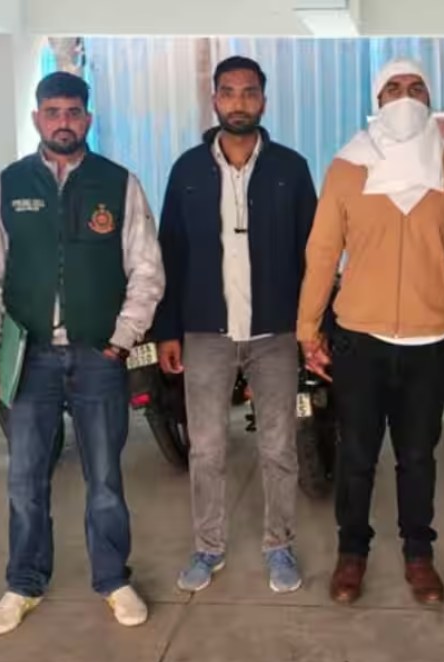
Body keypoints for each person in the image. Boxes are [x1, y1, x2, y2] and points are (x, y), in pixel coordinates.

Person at [0, 71, 164, 636]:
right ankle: (24, 582)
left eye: (73, 112)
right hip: (28, 358)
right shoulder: (10, 185)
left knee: (105, 479)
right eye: (52, 112)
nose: (63, 122)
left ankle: (113, 579)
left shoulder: (118, 183)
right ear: (37, 118)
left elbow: (146, 269)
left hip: (98, 356)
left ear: (88, 119)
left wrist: (121, 339)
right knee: (25, 480)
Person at [297, 58, 444, 606]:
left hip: (431, 341)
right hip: (360, 337)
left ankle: (419, 555)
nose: (405, 97)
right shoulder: (348, 167)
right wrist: (308, 328)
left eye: (416, 88)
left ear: (430, 97)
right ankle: (351, 553)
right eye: (394, 89)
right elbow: (322, 252)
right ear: (377, 100)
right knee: (356, 453)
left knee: (418, 456)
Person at [153, 56, 317, 594]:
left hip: (276, 333)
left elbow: (314, 253)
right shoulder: (188, 170)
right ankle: (208, 546)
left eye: (249, 92)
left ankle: (279, 545)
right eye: (229, 92)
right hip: (206, 333)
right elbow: (170, 253)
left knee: (279, 446)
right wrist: (168, 330)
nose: (239, 102)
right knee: (206, 449)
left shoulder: (291, 169)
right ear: (215, 100)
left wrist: (311, 326)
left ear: (263, 101)